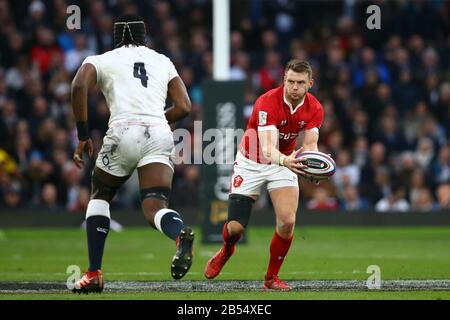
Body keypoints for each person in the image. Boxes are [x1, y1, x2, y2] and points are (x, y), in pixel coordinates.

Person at [70, 14, 194, 294]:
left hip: (123, 130)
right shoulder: (162, 60)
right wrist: (156, 119)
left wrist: (83, 135)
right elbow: (184, 106)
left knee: (100, 195)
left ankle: (93, 274)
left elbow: (78, 85)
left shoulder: (101, 59)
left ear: (116, 38)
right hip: (159, 132)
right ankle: (179, 234)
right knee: (155, 206)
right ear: (144, 37)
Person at [204, 59, 324, 291]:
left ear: (310, 83)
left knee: (288, 221)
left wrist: (312, 164)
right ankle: (227, 249)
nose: (294, 87)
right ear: (284, 80)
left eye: (300, 82)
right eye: (290, 81)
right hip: (252, 162)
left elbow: (310, 144)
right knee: (236, 228)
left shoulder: (315, 107)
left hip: (283, 163)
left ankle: (271, 278)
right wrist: (288, 161)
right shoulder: (267, 102)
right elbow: (268, 148)